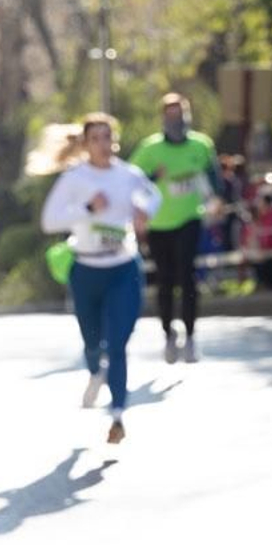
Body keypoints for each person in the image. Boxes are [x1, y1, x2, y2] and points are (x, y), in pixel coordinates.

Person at [35, 114, 161, 445]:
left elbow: (153, 196)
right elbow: (49, 221)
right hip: (87, 270)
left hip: (122, 266)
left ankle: (118, 413)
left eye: (108, 137)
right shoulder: (76, 178)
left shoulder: (128, 175)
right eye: (96, 138)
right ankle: (95, 371)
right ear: (86, 144)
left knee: (118, 344)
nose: (103, 144)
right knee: (93, 342)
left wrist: (144, 212)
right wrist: (88, 209)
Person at [130, 93, 220, 363]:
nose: (176, 120)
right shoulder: (150, 149)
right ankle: (169, 333)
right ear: (162, 118)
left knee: (187, 274)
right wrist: (152, 177)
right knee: (165, 280)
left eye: (179, 114)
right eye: (170, 115)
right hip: (159, 223)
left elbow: (214, 176)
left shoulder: (201, 145)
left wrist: (217, 199)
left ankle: (191, 336)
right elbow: (129, 180)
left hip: (190, 218)